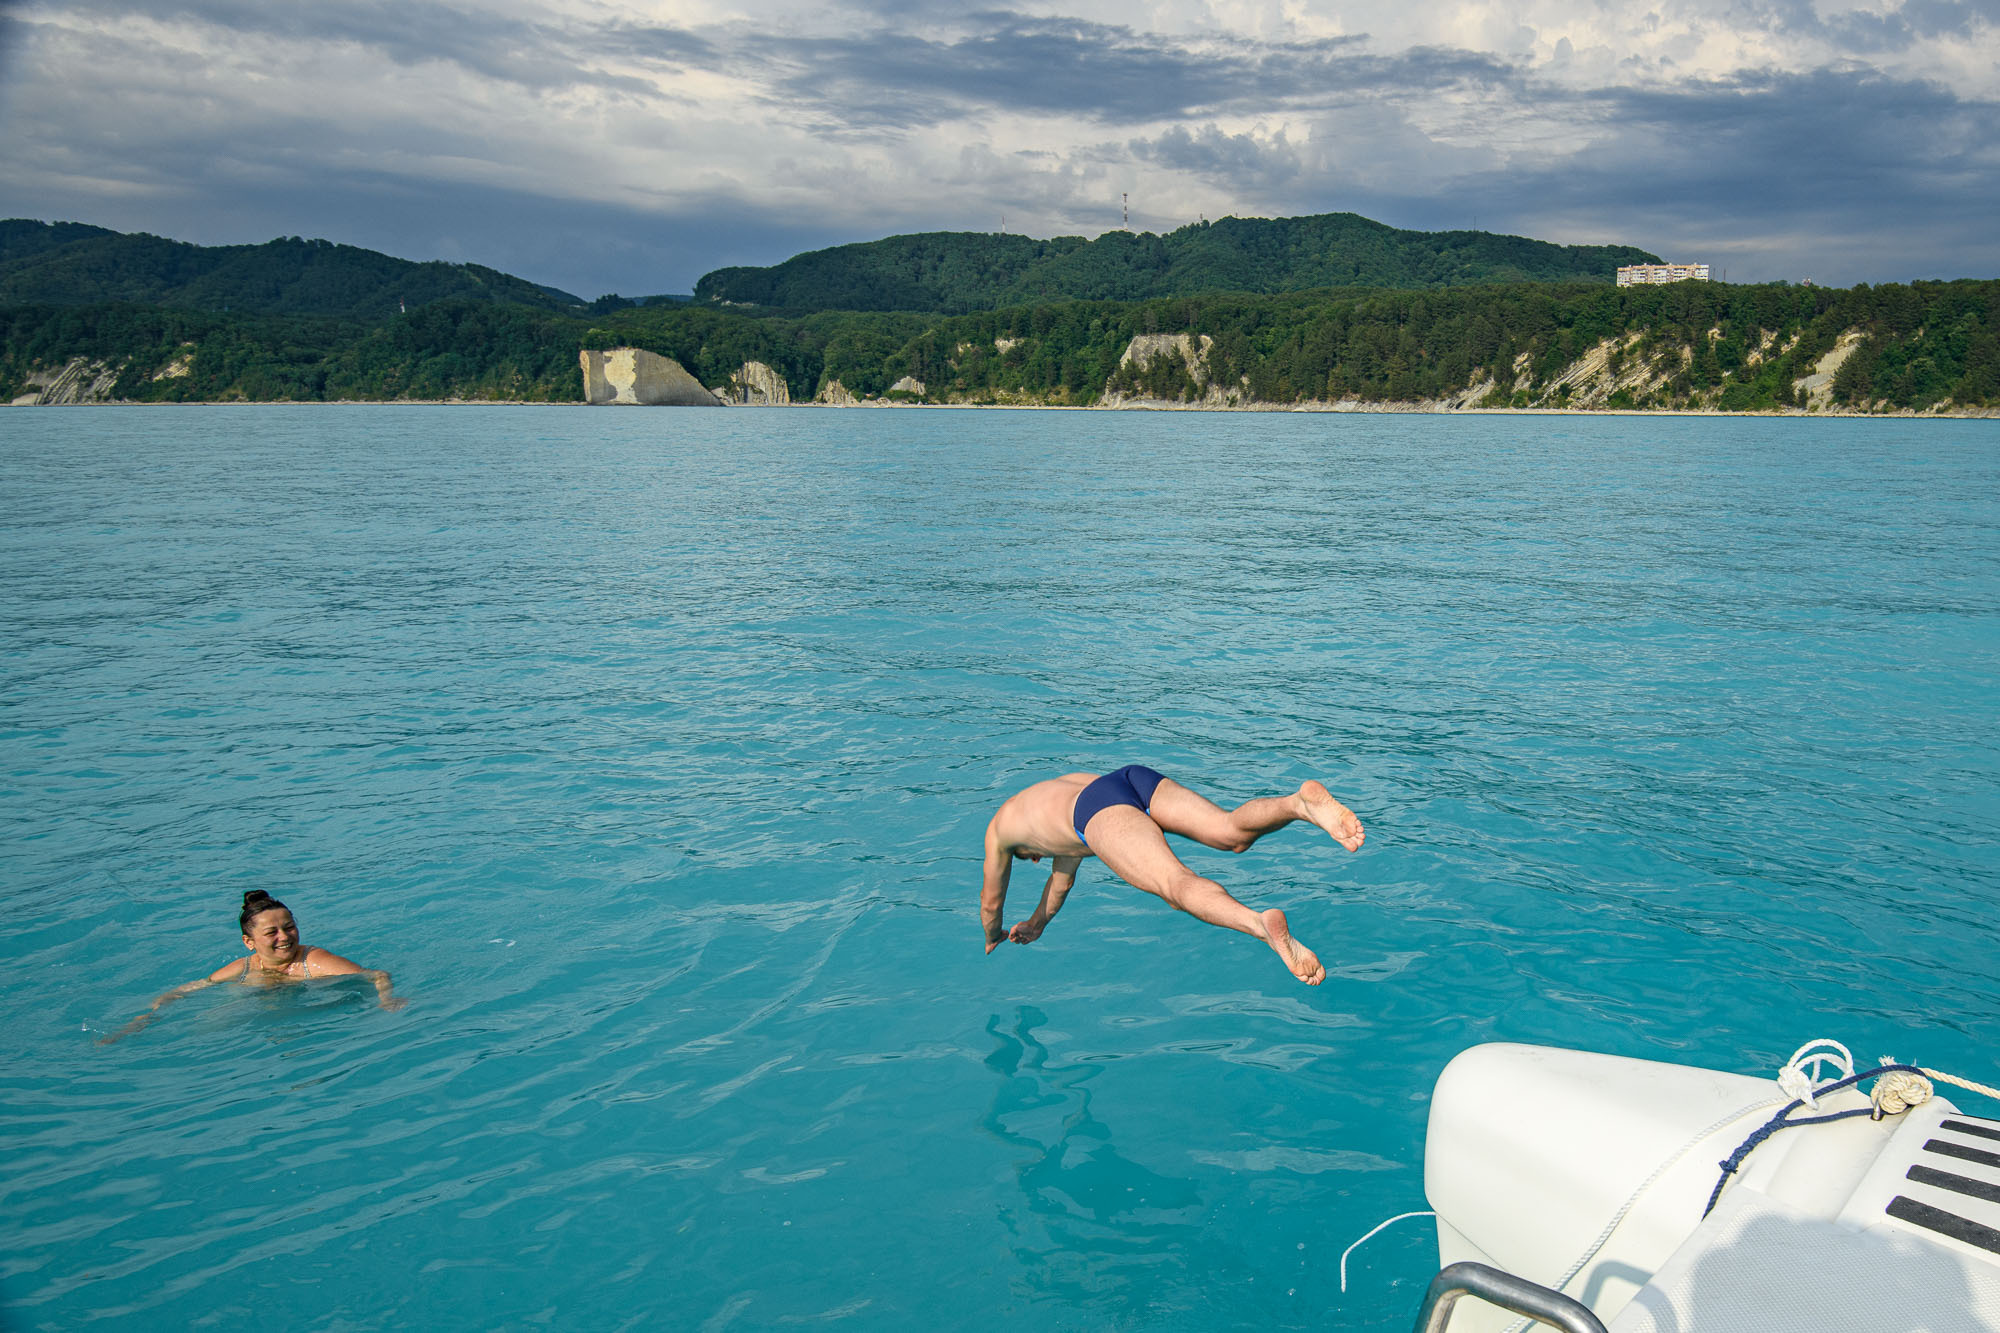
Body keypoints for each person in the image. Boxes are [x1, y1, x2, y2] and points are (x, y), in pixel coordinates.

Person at [980, 766, 1364, 985]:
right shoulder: (1044, 803)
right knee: (1229, 832)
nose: (1037, 860)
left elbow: (990, 901)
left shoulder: (1000, 832)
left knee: (1174, 884)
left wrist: (992, 934)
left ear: (1024, 853)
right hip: (1127, 779)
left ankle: (1260, 925)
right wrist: (1037, 922)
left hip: (1096, 808)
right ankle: (1298, 804)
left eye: (1031, 859)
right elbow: (1061, 881)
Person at [98, 890, 404, 1043]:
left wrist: (386, 999)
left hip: (308, 1023)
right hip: (266, 1017)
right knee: (207, 1026)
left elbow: (377, 976)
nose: (285, 937)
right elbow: (188, 990)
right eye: (272, 932)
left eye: (290, 927)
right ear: (249, 942)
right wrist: (148, 1017)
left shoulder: (313, 962)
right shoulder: (244, 968)